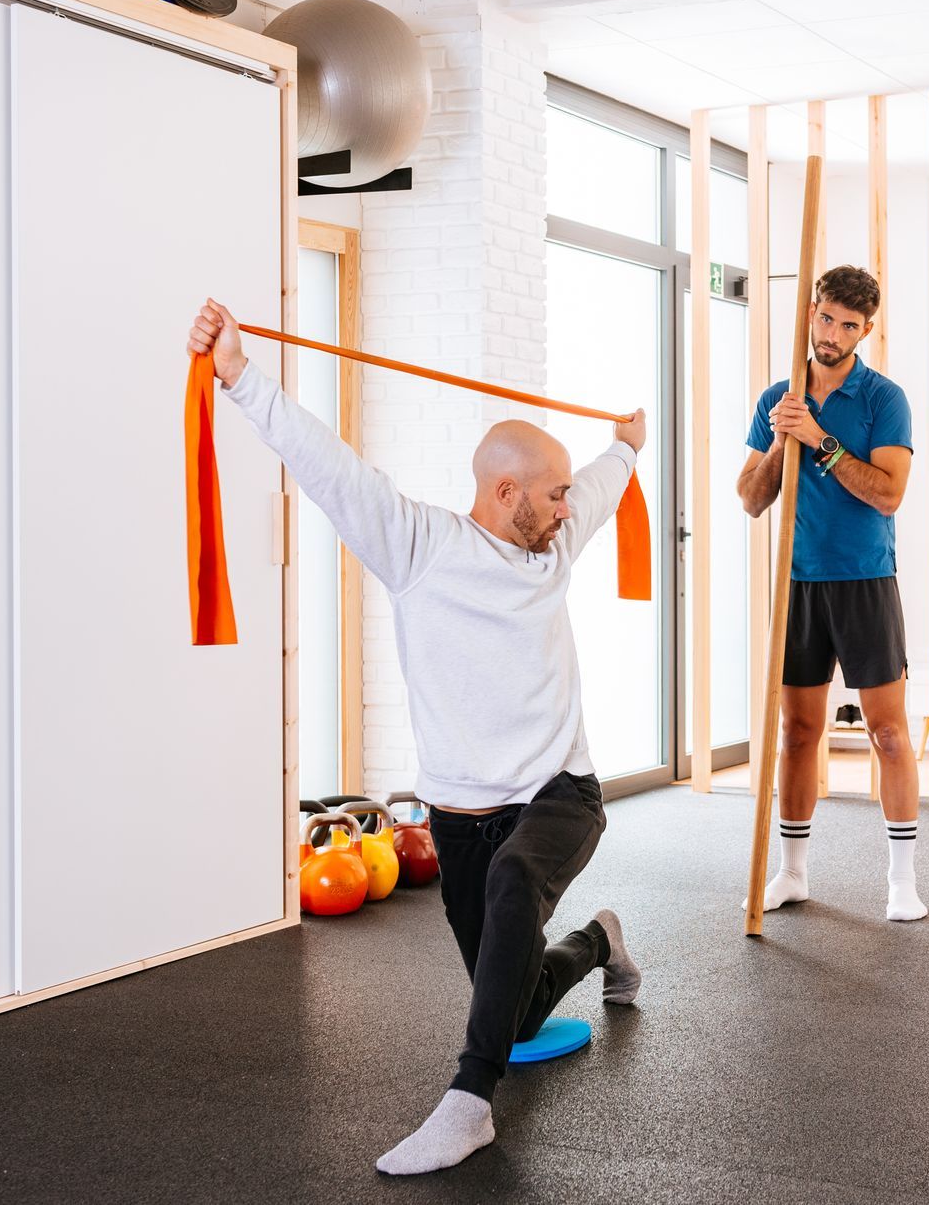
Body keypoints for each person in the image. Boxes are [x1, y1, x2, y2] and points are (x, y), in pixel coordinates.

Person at [187, 300, 648, 1173]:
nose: (564, 509)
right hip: (459, 818)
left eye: (564, 496)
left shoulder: (554, 543)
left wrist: (628, 439)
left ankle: (468, 1105)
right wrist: (240, 376)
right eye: (550, 496)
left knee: (516, 886)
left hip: (559, 795)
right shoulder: (419, 547)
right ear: (504, 492)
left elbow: (606, 474)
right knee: (508, 1006)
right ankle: (599, 940)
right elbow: (329, 468)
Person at [735, 265, 925, 922]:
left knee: (889, 734)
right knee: (797, 733)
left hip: (866, 580)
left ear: (865, 330)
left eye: (849, 325)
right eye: (825, 318)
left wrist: (820, 441)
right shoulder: (775, 399)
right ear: (810, 314)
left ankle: (902, 882)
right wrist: (782, 440)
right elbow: (752, 501)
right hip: (799, 584)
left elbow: (888, 492)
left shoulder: (883, 398)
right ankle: (791, 873)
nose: (833, 334)